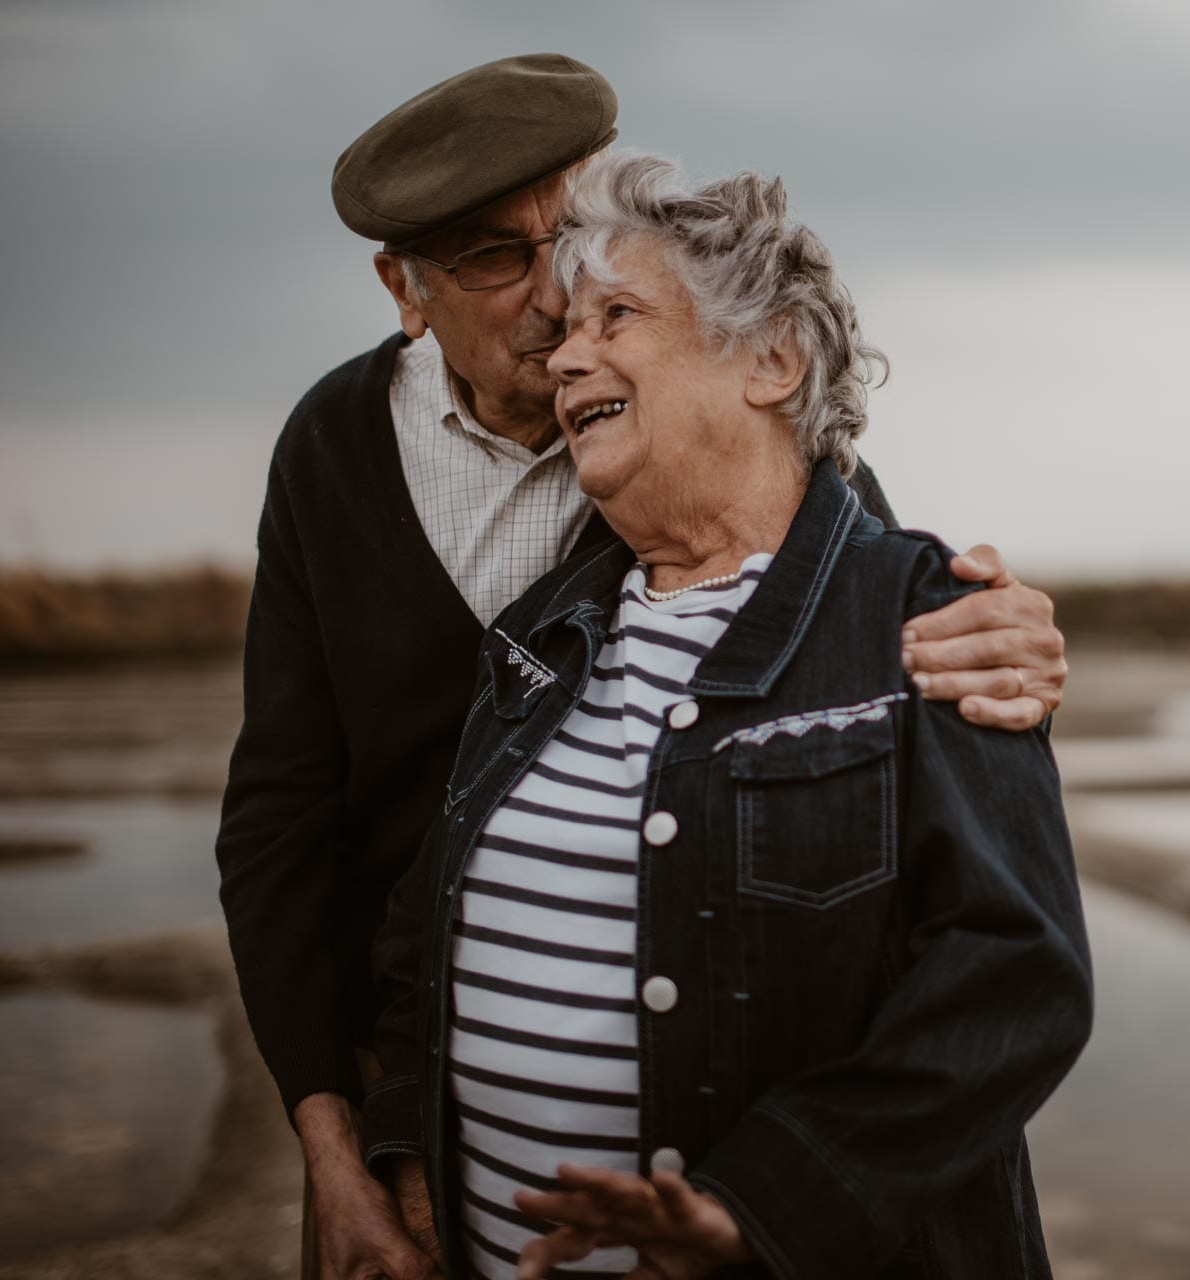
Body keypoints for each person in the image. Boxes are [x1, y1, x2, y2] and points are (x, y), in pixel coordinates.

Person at [215, 55, 1070, 1280]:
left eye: (566, 241)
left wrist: (1009, 636)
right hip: (397, 1102)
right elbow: (281, 813)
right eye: (493, 263)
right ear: (403, 288)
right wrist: (340, 1149)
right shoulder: (333, 444)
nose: (557, 306)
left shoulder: (691, 434)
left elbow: (865, 604)